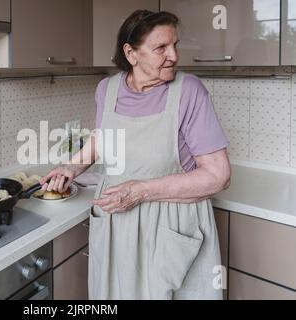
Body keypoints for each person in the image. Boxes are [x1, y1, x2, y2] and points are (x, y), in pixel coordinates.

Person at [40, 9, 231, 300]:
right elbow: (105, 136)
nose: (174, 56)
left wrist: (141, 191)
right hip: (118, 223)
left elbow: (219, 176)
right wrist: (71, 167)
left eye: (175, 45)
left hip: (172, 226)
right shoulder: (107, 89)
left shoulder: (189, 91)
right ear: (131, 53)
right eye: (161, 48)